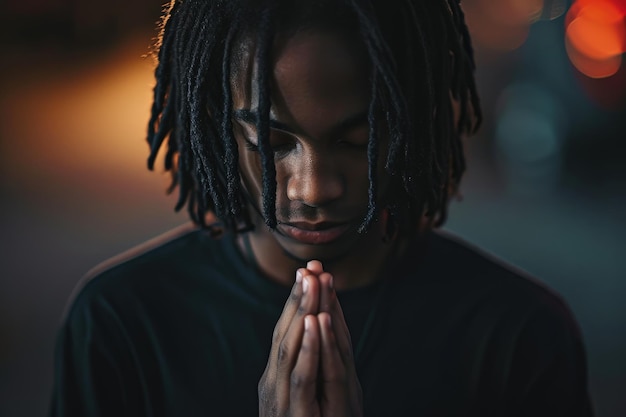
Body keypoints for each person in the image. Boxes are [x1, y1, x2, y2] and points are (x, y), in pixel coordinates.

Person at [49, 1, 594, 416]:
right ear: (217, 120)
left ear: (415, 122)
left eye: (358, 140)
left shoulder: (519, 337)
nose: (313, 188)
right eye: (271, 140)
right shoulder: (120, 323)